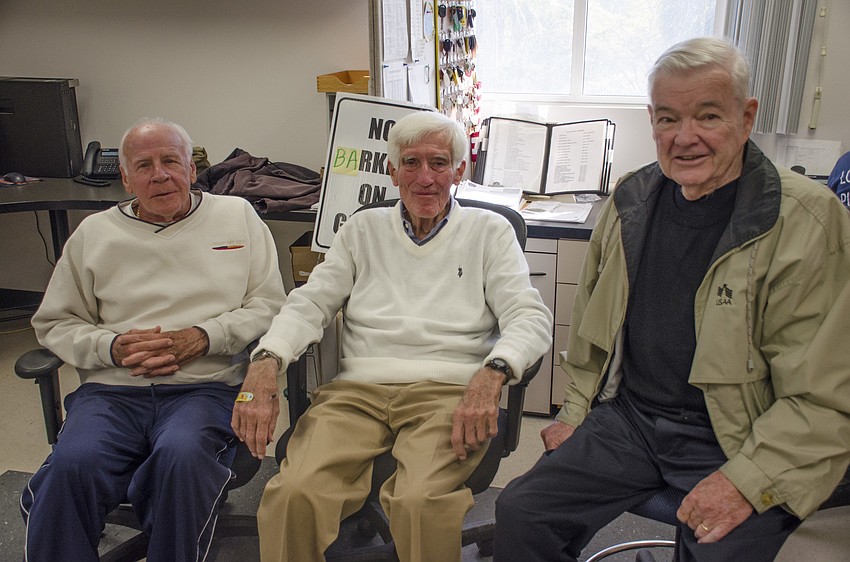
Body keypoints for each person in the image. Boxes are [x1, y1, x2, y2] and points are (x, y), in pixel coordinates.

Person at [493, 37, 850, 562]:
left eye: (708, 116)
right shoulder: (631, 199)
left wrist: (748, 479)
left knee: (717, 549)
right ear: (652, 121)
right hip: (632, 420)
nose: (685, 137)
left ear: (746, 117)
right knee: (521, 513)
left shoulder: (806, 221)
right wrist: (574, 411)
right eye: (668, 118)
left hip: (739, 433)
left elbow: (824, 396)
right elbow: (593, 325)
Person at [231, 110, 553, 562]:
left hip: (448, 393)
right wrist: (266, 361)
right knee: (292, 494)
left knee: (420, 503)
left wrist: (493, 372)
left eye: (439, 163)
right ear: (392, 171)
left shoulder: (489, 232)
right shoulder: (362, 229)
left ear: (459, 171)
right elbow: (310, 303)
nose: (425, 177)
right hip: (357, 393)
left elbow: (528, 316)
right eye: (411, 163)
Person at [20, 118, 286, 562]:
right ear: (125, 179)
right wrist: (111, 347)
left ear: (191, 169)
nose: (159, 175)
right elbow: (55, 323)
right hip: (113, 391)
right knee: (72, 465)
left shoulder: (236, 216)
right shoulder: (94, 234)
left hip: (205, 389)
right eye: (144, 166)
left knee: (181, 457)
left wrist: (204, 337)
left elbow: (270, 306)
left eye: (170, 161)